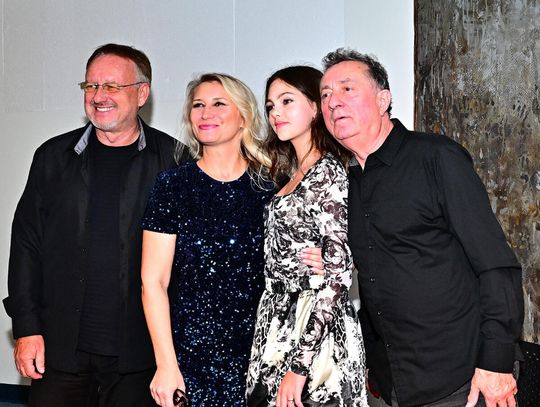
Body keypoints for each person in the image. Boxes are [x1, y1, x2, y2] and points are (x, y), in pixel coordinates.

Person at [318, 48, 523, 407]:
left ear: (383, 100)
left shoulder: (436, 157)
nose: (333, 102)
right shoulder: (343, 185)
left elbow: (496, 265)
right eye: (325, 95)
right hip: (392, 384)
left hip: (463, 379)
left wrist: (496, 362)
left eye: (347, 89)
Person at [3, 43, 188, 406]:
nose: (99, 96)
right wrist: (27, 327)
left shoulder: (174, 161)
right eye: (91, 86)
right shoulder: (52, 157)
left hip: (140, 355)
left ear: (142, 93)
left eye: (112, 86)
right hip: (59, 350)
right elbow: (26, 246)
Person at [141, 73, 276, 407]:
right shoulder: (172, 186)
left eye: (218, 104)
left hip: (261, 356)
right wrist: (166, 365)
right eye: (198, 105)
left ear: (243, 116)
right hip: (189, 358)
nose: (205, 113)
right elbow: (153, 282)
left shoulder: (271, 187)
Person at [246, 66, 369, 407]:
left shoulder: (327, 171)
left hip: (315, 332)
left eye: (287, 101)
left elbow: (337, 277)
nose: (276, 112)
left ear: (315, 107)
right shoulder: (293, 173)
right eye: (270, 106)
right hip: (278, 322)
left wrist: (299, 366)